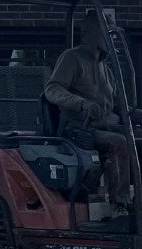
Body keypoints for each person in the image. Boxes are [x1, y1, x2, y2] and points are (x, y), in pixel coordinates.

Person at [42, 11, 132, 205]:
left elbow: (116, 104)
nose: (112, 39)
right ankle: (120, 205)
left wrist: (138, 114)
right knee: (118, 142)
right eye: (108, 33)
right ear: (93, 32)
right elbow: (52, 88)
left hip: (106, 126)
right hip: (81, 129)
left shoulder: (106, 68)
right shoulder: (72, 58)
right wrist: (81, 103)